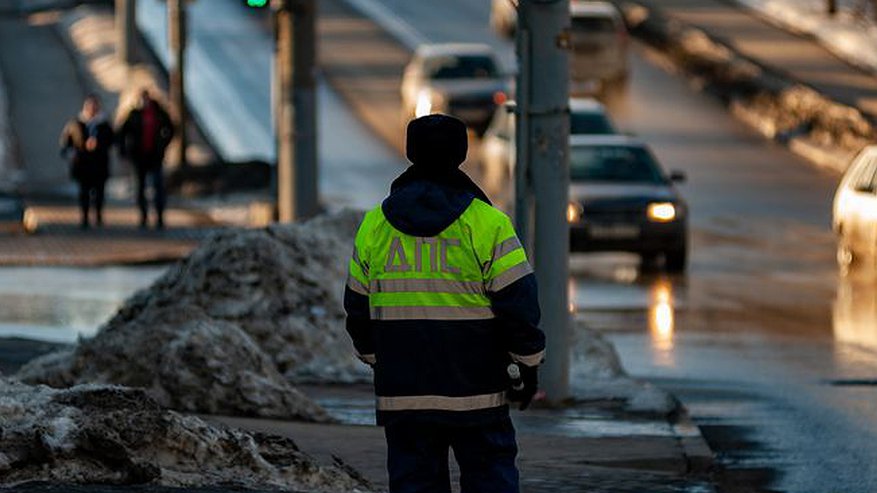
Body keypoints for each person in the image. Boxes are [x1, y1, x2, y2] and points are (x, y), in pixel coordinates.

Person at [343, 114, 545, 493]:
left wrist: (380, 358)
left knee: (414, 482)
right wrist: (528, 364)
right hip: (477, 392)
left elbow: (357, 311)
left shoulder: (375, 226)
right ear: (462, 154)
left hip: (404, 394)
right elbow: (519, 305)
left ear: (410, 152)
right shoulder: (488, 224)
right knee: (490, 478)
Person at [118, 89, 174, 229]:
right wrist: (125, 151)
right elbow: (121, 133)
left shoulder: (159, 113)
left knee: (158, 187)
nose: (145, 102)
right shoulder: (134, 115)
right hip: (138, 158)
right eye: (142, 99)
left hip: (155, 157)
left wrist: (163, 144)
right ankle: (143, 217)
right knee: (140, 188)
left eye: (146, 99)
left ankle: (159, 217)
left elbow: (172, 128)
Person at [60, 94, 115, 229]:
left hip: (100, 164)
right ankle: (84, 218)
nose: (92, 108)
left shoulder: (104, 124)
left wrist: (99, 143)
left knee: (99, 193)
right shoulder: (75, 123)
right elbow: (66, 142)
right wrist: (70, 152)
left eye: (94, 105)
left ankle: (98, 216)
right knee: (84, 192)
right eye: (89, 105)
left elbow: (113, 140)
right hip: (82, 164)